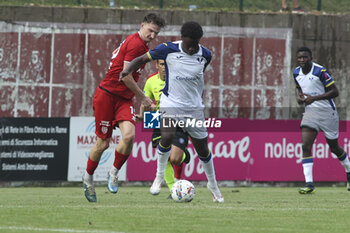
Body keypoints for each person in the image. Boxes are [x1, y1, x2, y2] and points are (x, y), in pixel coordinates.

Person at [120, 21, 224, 203]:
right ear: (182, 38)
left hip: (193, 108)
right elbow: (141, 59)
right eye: (189, 44)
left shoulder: (205, 55)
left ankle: (213, 185)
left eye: (196, 44)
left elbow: (196, 78)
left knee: (202, 149)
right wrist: (127, 70)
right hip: (170, 103)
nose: (192, 48)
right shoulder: (167, 49)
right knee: (166, 137)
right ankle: (159, 177)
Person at [82, 13, 165, 202]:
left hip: (124, 99)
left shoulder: (142, 45)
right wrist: (143, 98)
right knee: (103, 143)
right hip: (107, 96)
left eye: (156, 33)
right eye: (150, 31)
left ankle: (113, 172)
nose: (152, 36)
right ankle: (88, 179)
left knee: (128, 135)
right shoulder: (135, 44)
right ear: (142, 25)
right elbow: (125, 76)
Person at [293, 46, 350, 194]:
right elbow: (299, 87)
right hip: (310, 112)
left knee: (334, 147)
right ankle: (309, 184)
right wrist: (299, 97)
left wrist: (314, 98)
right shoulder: (296, 72)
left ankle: (348, 170)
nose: (302, 60)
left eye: (305, 57)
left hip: (327, 113)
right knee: (305, 146)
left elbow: (335, 91)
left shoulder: (320, 72)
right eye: (299, 57)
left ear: (311, 58)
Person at [138, 59, 191, 197]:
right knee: (165, 155)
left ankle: (185, 154)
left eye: (167, 64)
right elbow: (145, 101)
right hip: (158, 119)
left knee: (174, 159)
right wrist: (142, 115)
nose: (164, 67)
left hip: (178, 118)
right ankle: (173, 189)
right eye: (161, 64)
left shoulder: (178, 80)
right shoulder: (151, 81)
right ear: (157, 65)